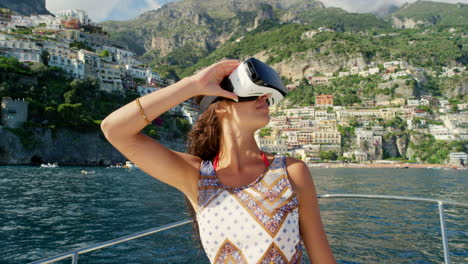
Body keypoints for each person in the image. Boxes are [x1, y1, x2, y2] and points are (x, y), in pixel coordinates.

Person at [101, 60, 336, 263]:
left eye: (267, 95)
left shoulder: (292, 172)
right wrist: (192, 85)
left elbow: (322, 259)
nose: (265, 98)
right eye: (254, 92)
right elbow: (114, 129)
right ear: (221, 107)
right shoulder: (197, 176)